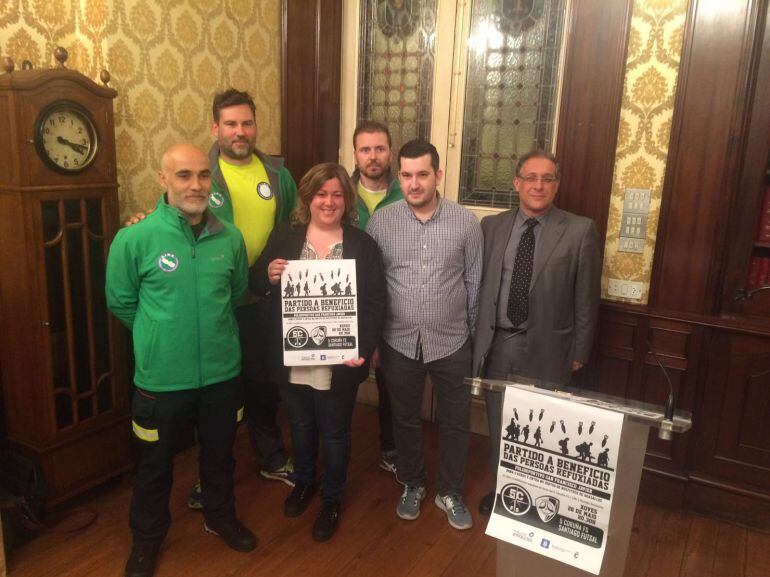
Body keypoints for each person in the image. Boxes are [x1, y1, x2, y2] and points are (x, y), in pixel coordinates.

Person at [124, 88, 298, 505]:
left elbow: (292, 226)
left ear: (256, 126)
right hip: (209, 306)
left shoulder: (278, 175)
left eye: (247, 123)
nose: (240, 132)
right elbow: (169, 222)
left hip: (261, 299)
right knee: (215, 396)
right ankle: (209, 479)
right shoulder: (199, 172)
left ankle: (270, 457)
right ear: (215, 127)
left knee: (259, 385)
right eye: (231, 124)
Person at [106, 144, 256, 577]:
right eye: (184, 175)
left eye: (203, 176)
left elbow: (234, 293)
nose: (196, 185)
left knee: (220, 455)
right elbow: (121, 300)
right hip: (161, 381)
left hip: (221, 375)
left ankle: (219, 516)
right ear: (163, 180)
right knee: (153, 467)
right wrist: (160, 336)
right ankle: (146, 542)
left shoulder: (230, 237)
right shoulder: (134, 238)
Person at [252, 163, 386, 541]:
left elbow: (376, 301)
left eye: (337, 194)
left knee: (335, 431)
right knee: (301, 424)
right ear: (308, 198)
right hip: (293, 357)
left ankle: (332, 498)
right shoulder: (286, 235)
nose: (329, 201)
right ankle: (305, 482)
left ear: (347, 200)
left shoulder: (362, 244)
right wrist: (269, 274)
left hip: (340, 361)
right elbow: (254, 278)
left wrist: (364, 346)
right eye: (321, 194)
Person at [472, 149, 601, 515]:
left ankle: (537, 500)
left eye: (547, 178)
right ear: (517, 183)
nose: (538, 185)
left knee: (541, 429)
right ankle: (503, 492)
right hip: (498, 342)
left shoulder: (580, 230)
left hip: (549, 346)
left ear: (556, 185)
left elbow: (587, 298)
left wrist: (580, 350)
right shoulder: (492, 227)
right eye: (531, 177)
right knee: (501, 424)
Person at [366, 139, 483, 530]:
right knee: (405, 418)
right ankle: (412, 482)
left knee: (455, 420)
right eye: (407, 175)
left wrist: (471, 341)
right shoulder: (381, 222)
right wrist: (374, 341)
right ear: (399, 176)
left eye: (422, 174)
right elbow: (373, 285)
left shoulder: (466, 222)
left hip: (452, 341)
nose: (414, 183)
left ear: (438, 175)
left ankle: (449, 491)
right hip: (398, 341)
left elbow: (475, 284)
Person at [350, 120, 404, 478]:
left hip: (395, 304)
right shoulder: (338, 193)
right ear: (354, 154)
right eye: (365, 149)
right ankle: (335, 451)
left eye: (380, 149)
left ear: (390, 153)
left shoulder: (408, 191)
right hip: (345, 307)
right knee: (342, 384)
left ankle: (391, 447)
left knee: (391, 383)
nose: (373, 156)